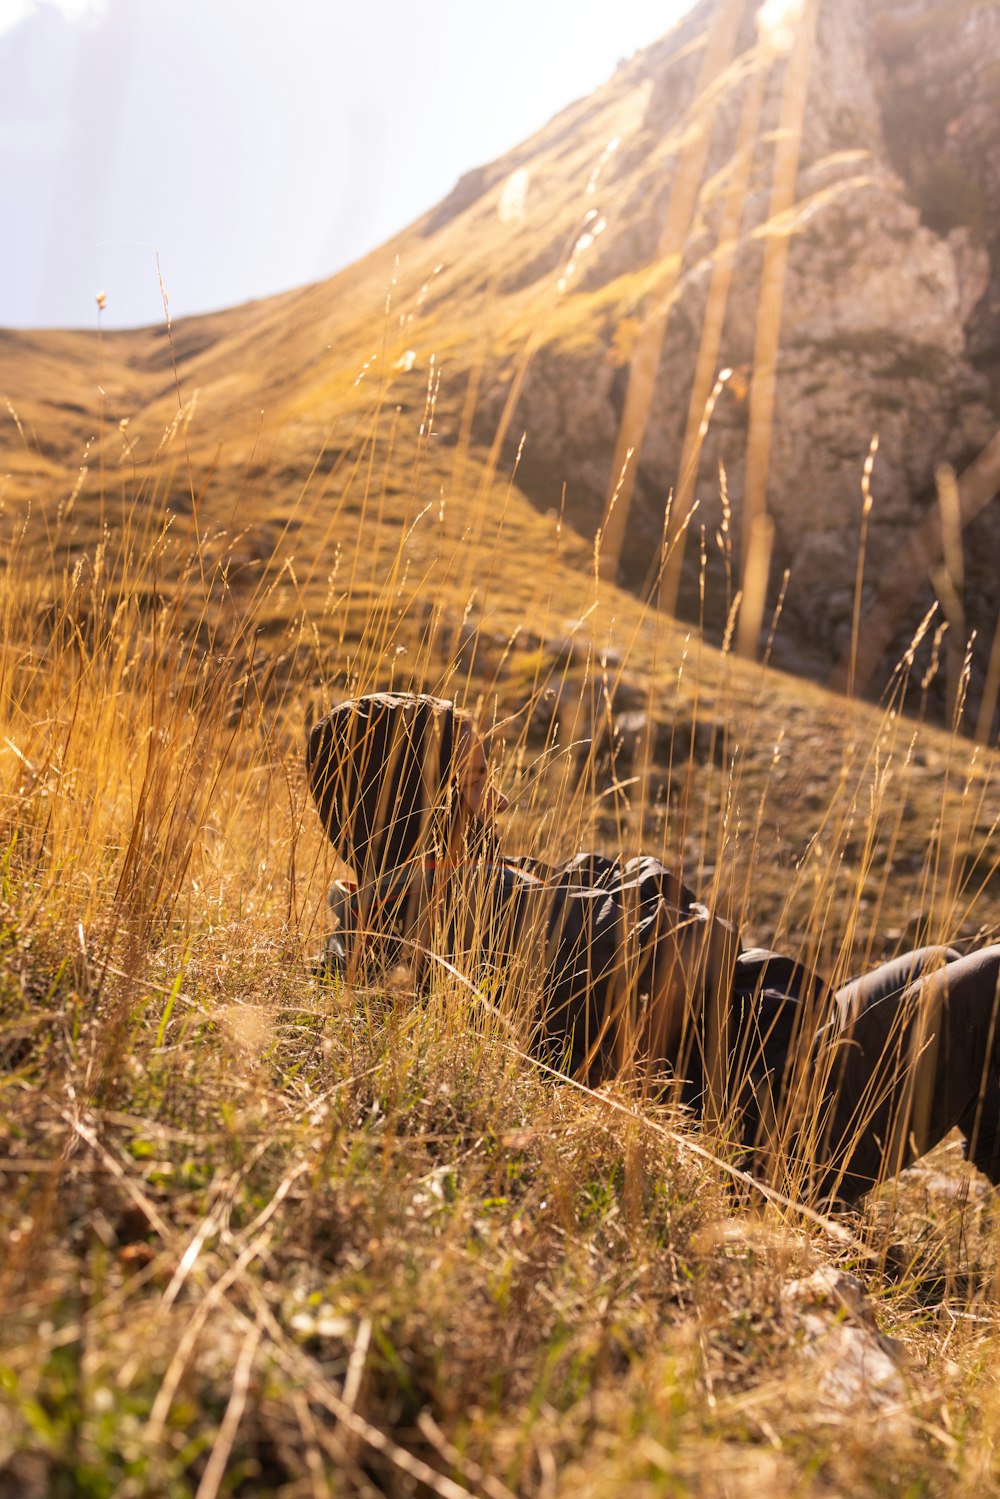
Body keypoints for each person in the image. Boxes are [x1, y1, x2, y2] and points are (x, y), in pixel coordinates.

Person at [306, 691, 1000, 1207]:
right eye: (480, 780)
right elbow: (698, 942)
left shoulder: (418, 906)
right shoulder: (469, 900)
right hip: (771, 1116)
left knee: (936, 961)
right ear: (428, 797)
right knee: (991, 986)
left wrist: (619, 888)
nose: (500, 801)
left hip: (771, 1054)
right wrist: (631, 881)